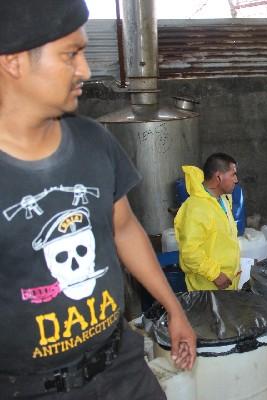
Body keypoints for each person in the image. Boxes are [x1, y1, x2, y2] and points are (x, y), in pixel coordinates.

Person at [0, 0, 196, 398]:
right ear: (14, 61)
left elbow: (124, 230)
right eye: (70, 54)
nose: (85, 71)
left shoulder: (94, 142)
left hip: (120, 367)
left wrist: (173, 308)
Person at [175, 153, 241, 290]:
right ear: (218, 177)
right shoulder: (196, 208)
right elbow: (190, 252)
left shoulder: (223, 199)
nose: (236, 180)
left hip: (227, 283)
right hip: (208, 288)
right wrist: (215, 275)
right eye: (233, 174)